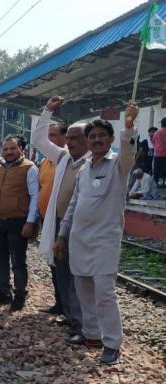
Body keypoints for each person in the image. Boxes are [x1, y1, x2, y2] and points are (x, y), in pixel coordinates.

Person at [55, 102, 139, 365]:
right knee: (84, 290)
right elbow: (73, 205)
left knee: (104, 292)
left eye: (102, 136)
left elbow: (128, 150)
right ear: (87, 141)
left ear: (111, 139)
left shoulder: (119, 166)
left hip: (105, 240)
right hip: (80, 238)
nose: (97, 140)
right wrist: (61, 235)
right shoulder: (83, 169)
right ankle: (91, 335)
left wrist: (128, 126)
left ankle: (112, 343)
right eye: (92, 137)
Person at [33, 96, 87, 332]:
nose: (71, 141)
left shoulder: (93, 162)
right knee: (62, 271)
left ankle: (83, 321)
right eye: (70, 137)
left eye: (77, 138)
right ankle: (70, 314)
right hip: (59, 224)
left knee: (79, 275)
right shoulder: (63, 157)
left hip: (81, 227)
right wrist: (47, 111)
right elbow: (38, 139)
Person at [0, 135, 40, 311]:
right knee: (0, 259)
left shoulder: (29, 168)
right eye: (5, 149)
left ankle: (20, 293)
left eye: (12, 148)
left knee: (18, 260)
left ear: (21, 149)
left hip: (18, 221)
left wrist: (30, 222)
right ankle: (3, 291)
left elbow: (34, 196)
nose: (8, 152)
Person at [152, 117, 166, 187]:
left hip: (158, 155)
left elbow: (153, 142)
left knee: (156, 171)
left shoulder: (156, 133)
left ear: (161, 124)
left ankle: (155, 184)